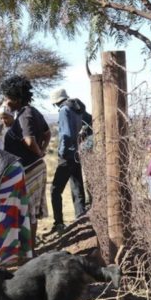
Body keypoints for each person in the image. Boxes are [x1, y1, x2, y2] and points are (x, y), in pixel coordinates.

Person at [1, 75, 51, 247]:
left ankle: (29, 250)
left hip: (28, 168)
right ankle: (29, 248)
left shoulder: (24, 115)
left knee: (28, 211)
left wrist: (38, 152)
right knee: (30, 210)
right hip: (32, 166)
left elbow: (29, 140)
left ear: (17, 98)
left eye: (8, 98)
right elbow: (47, 133)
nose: (6, 102)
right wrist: (42, 150)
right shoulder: (31, 111)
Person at [49, 88, 87, 232]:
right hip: (76, 153)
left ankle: (58, 223)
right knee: (77, 186)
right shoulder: (77, 108)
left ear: (57, 102)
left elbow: (66, 134)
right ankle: (82, 218)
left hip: (67, 155)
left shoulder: (64, 110)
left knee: (55, 190)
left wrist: (62, 152)